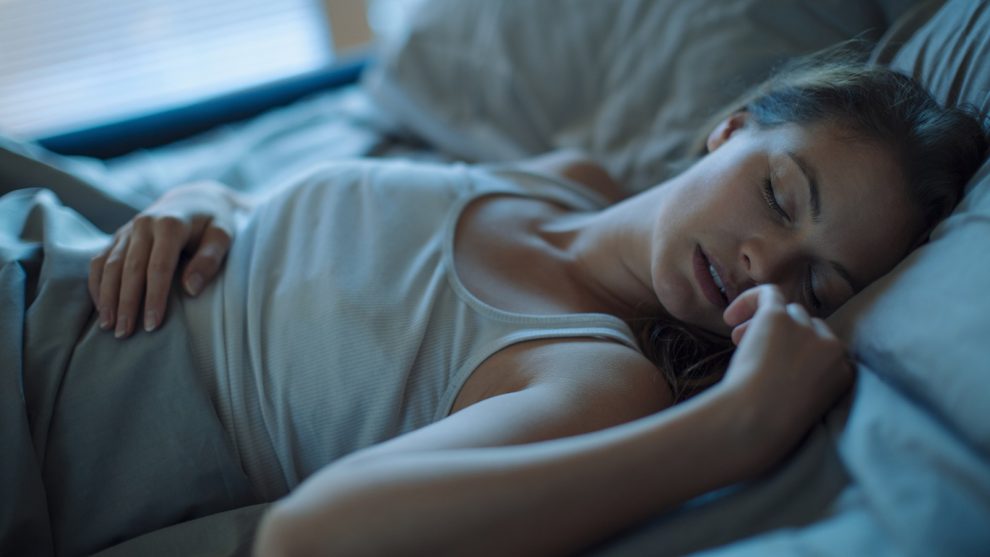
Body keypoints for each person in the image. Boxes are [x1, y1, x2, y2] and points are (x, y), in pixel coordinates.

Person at [76, 56, 987, 556]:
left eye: (817, 286)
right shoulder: (563, 182)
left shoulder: (595, 378)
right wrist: (205, 199)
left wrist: (740, 426)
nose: (767, 266)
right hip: (57, 253)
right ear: (731, 128)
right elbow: (303, 224)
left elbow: (311, 538)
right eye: (781, 197)